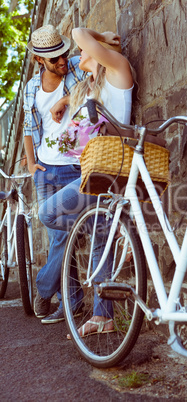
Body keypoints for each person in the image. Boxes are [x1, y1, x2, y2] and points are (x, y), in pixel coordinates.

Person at [38, 27, 134, 336]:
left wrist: (99, 37)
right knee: (96, 238)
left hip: (110, 170)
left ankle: (116, 230)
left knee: (48, 213)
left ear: (98, 50)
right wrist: (63, 100)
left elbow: (78, 34)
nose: (77, 54)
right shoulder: (93, 86)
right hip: (91, 173)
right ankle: (103, 316)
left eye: (83, 51)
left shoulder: (119, 70)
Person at [23, 25, 89, 324]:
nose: (62, 62)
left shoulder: (76, 67)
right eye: (54, 61)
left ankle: (44, 288)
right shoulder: (30, 88)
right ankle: (71, 305)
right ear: (39, 60)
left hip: (74, 166)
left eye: (63, 55)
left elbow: (96, 75)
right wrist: (30, 163)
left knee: (64, 239)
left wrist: (65, 99)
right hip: (45, 170)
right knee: (59, 238)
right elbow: (27, 126)